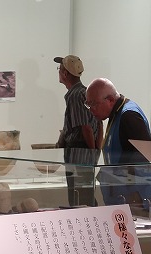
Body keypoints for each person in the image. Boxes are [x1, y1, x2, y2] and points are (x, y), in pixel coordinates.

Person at [84, 77, 151, 211]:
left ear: (110, 100)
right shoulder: (116, 114)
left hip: (135, 201)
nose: (91, 110)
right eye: (88, 104)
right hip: (122, 200)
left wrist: (134, 203)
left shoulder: (129, 116)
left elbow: (141, 162)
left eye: (93, 104)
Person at [53, 55, 99, 206]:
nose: (58, 72)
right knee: (85, 193)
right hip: (85, 154)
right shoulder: (85, 92)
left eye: (59, 69)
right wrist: (97, 150)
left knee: (79, 197)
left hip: (79, 155)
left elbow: (85, 127)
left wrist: (92, 153)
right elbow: (99, 123)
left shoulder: (74, 96)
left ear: (65, 74)